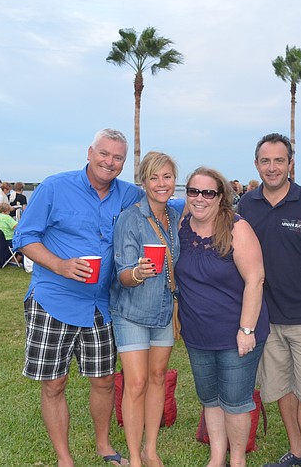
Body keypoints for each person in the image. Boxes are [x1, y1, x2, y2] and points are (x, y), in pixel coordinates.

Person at [12, 129, 140, 467]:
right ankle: (64, 457)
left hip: (101, 304)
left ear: (123, 163)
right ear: (89, 152)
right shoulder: (55, 187)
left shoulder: (129, 195)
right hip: (54, 299)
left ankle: (103, 445)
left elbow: (165, 201)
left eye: (117, 158)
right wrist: (60, 265)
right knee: (55, 384)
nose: (109, 162)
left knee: (104, 380)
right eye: (104, 154)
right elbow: (24, 236)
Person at [236, 133, 301, 467]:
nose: (272, 167)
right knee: (280, 389)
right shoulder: (246, 205)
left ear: (290, 163)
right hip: (266, 317)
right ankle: (297, 451)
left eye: (280, 160)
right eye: (265, 161)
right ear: (256, 164)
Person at [176, 166, 268, 467]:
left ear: (221, 197)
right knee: (210, 398)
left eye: (208, 192)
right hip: (197, 332)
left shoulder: (237, 228)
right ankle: (217, 456)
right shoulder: (181, 226)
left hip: (236, 332)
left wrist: (246, 329)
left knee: (236, 401)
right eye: (193, 191)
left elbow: (255, 279)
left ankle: (238, 459)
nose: (199, 198)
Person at [110, 151, 181, 467]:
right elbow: (123, 274)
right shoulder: (131, 218)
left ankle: (151, 450)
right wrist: (137, 273)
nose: (161, 183)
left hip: (164, 310)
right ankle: (135, 457)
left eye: (167, 176)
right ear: (144, 181)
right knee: (136, 382)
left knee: (157, 377)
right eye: (154, 177)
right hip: (131, 312)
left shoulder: (174, 216)